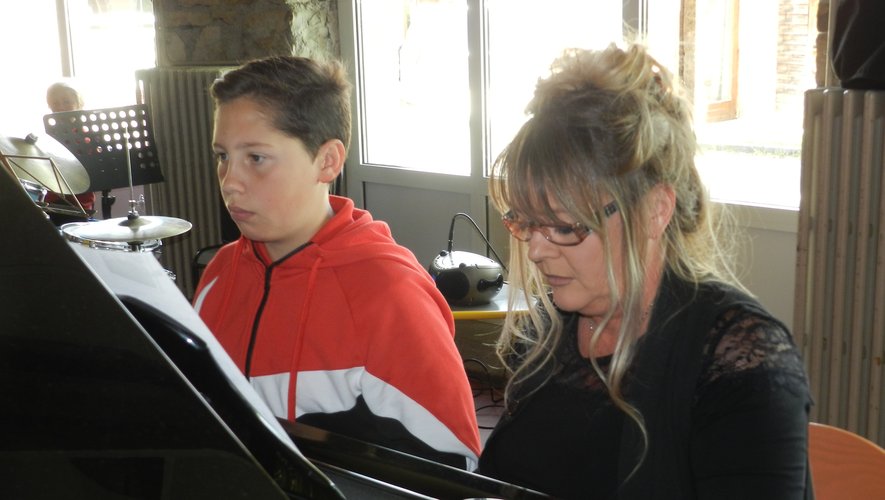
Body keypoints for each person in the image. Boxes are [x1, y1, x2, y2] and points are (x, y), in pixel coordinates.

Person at [477, 42, 813, 499]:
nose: (536, 250)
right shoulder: (545, 333)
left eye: (563, 225)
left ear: (655, 210)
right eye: (526, 221)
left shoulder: (739, 363)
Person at [192, 55, 481, 469]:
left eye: (255, 158)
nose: (230, 181)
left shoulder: (390, 294)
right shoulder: (221, 272)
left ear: (327, 161)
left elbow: (452, 463)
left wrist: (317, 446)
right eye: (223, 156)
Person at [44, 80, 96, 214]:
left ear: (79, 104)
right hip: (53, 199)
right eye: (55, 103)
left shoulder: (86, 136)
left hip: (80, 201)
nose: (61, 107)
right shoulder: (47, 137)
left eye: (67, 102)